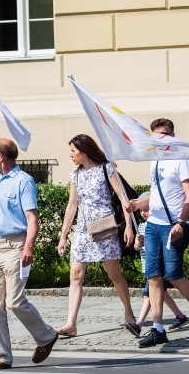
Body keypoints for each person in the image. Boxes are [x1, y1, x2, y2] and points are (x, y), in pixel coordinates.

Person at [0, 138, 58, 370]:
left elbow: (32, 219)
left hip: (15, 246)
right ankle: (2, 356)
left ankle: (47, 336)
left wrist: (29, 247)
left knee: (15, 302)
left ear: (1, 156)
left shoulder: (24, 181)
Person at [126, 118, 189, 348]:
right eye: (157, 135)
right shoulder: (155, 159)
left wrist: (181, 222)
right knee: (153, 276)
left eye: (165, 134)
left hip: (172, 225)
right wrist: (138, 204)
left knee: (174, 275)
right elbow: (156, 195)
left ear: (172, 135)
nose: (161, 138)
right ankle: (157, 328)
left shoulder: (181, 157)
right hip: (154, 224)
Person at [55, 134, 141, 337]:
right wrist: (63, 235)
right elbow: (72, 205)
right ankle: (71, 324)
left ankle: (129, 314)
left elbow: (123, 198)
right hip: (83, 230)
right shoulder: (75, 174)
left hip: (105, 228)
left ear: (84, 152)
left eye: (73, 151)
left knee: (113, 274)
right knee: (75, 274)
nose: (71, 155)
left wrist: (128, 226)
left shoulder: (106, 168)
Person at [133, 192, 189, 331]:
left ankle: (138, 323)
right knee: (161, 293)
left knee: (148, 295)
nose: (144, 213)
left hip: (156, 267)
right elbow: (136, 247)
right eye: (142, 211)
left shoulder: (159, 226)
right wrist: (138, 243)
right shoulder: (140, 227)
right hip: (147, 265)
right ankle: (180, 316)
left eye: (147, 210)